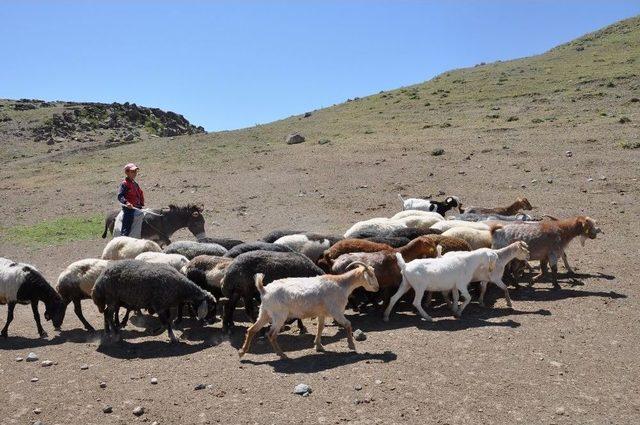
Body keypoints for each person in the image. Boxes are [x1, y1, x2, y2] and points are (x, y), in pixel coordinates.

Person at [117, 163, 145, 237]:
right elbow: (120, 196)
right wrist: (126, 203)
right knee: (128, 220)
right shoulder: (124, 184)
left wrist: (140, 204)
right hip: (128, 209)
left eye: (135, 171)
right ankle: (124, 237)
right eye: (132, 171)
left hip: (137, 207)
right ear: (127, 172)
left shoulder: (135, 184)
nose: (135, 173)